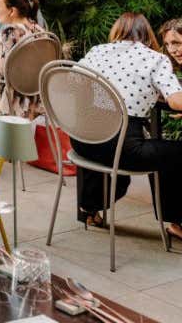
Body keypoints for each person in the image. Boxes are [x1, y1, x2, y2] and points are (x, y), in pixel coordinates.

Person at [73, 13, 182, 239]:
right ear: (148, 35)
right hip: (122, 149)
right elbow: (175, 100)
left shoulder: (96, 51)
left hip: (81, 139)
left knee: (101, 134)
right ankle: (176, 222)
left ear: (116, 31)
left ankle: (89, 208)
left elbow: (71, 82)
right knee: (173, 152)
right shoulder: (155, 59)